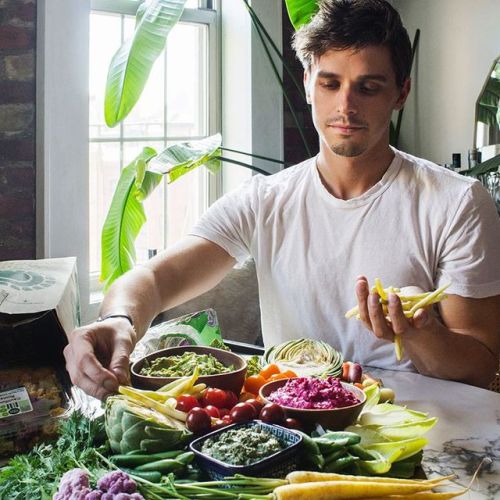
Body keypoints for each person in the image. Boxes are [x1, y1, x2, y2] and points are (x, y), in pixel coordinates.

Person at [64, 0, 500, 400]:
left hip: (422, 435)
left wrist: (418, 333)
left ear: (400, 93)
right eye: (330, 83)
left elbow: (480, 368)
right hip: (291, 430)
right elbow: (154, 280)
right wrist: (118, 321)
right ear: (308, 81)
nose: (345, 106)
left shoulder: (455, 202)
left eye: (367, 88)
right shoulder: (264, 201)